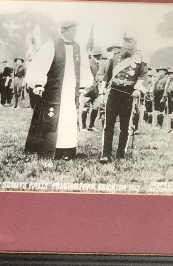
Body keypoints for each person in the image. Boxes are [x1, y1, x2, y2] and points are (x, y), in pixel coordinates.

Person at [25, 20, 94, 160]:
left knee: (68, 118)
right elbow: (40, 65)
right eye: (72, 29)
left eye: (75, 30)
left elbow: (84, 69)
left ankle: (67, 150)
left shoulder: (78, 48)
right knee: (53, 118)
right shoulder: (51, 46)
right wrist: (38, 84)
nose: (75, 32)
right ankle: (51, 148)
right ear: (63, 30)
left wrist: (82, 86)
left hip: (70, 92)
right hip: (54, 92)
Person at [99, 36, 148, 163]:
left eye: (130, 43)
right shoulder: (114, 58)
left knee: (125, 126)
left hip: (128, 94)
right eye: (125, 43)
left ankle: (121, 154)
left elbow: (143, 76)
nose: (127, 45)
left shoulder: (140, 60)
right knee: (108, 124)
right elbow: (106, 76)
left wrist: (138, 89)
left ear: (135, 45)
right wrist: (102, 93)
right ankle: (106, 154)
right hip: (114, 92)